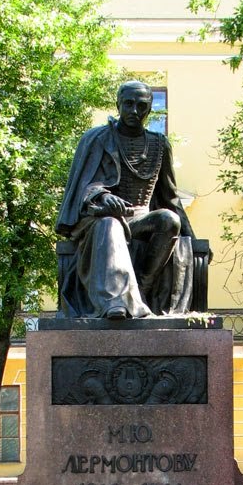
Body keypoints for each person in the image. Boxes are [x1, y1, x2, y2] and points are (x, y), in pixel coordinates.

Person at [56, 80, 195, 318]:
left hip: (140, 219)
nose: (134, 111)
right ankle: (115, 302)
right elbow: (81, 186)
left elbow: (170, 196)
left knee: (169, 219)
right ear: (118, 104)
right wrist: (102, 196)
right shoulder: (97, 139)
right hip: (100, 220)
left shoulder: (159, 145)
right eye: (128, 104)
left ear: (149, 109)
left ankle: (139, 290)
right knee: (111, 224)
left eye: (141, 106)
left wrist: (193, 238)